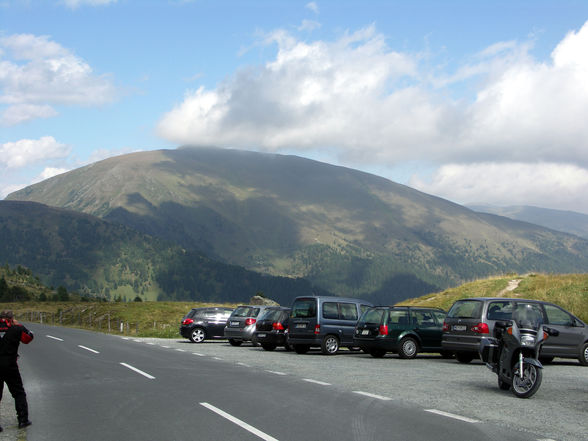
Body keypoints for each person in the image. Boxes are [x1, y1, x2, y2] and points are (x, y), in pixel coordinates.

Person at [0, 310, 34, 431]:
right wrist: (18, 325)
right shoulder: (16, 329)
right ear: (11, 318)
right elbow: (29, 337)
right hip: (10, 365)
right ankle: (22, 420)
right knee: (18, 392)